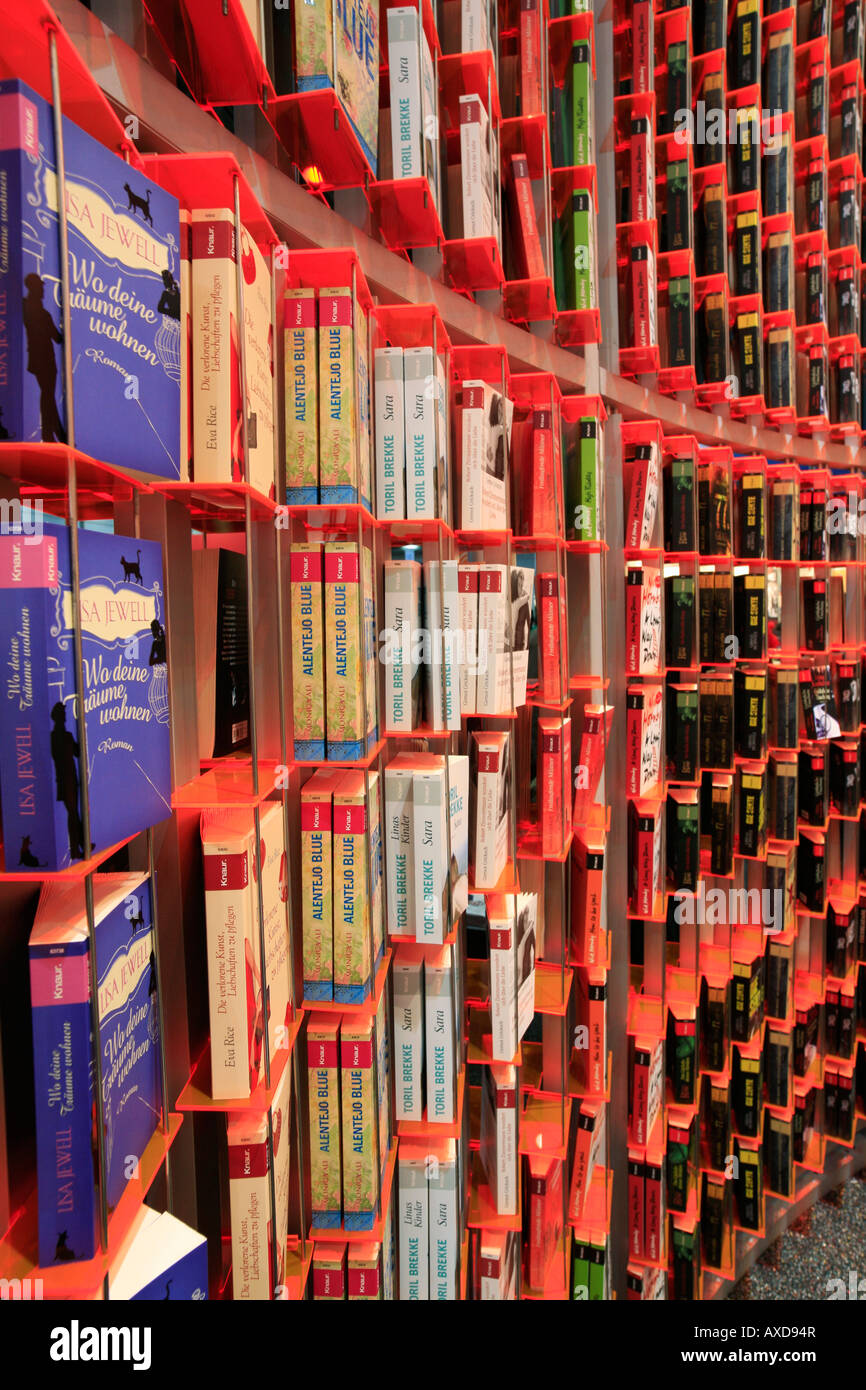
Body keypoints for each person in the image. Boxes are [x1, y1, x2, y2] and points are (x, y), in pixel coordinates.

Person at [23, 274, 66, 443]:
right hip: (46, 361)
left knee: (47, 395)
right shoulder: (40, 312)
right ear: (35, 288)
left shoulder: (28, 307)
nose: (43, 290)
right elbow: (57, 337)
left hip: (38, 359)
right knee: (47, 396)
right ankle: (50, 435)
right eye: (40, 287)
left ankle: (58, 435)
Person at [50, 701, 84, 860]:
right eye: (61, 714)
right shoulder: (55, 737)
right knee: (73, 814)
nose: (64, 717)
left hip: (72, 779)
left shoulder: (67, 735)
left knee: (75, 813)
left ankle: (81, 845)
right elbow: (58, 758)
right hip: (64, 780)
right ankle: (76, 849)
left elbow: (78, 752)